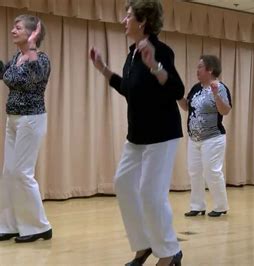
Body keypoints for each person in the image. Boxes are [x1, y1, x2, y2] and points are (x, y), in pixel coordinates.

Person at [89, 0, 184, 265]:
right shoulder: (132, 54)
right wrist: (103, 69)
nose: (124, 20)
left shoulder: (160, 50)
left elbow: (177, 89)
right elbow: (129, 90)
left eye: (128, 16)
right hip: (138, 135)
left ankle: (169, 252)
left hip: (162, 134)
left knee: (151, 193)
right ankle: (143, 245)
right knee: (124, 184)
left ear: (142, 21)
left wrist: (154, 65)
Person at [0, 15, 52, 243]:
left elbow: (21, 79)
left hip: (31, 120)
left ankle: (39, 226)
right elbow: (6, 75)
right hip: (12, 118)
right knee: (9, 173)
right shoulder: (16, 57)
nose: (13, 30)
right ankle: (9, 224)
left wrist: (7, 73)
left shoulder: (40, 59)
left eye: (18, 28)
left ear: (31, 34)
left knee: (22, 173)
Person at [178, 55, 232, 218]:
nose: (197, 70)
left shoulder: (220, 87)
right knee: (194, 171)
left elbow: (225, 111)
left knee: (212, 172)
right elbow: (187, 106)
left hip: (213, 137)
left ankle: (221, 206)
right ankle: (197, 206)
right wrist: (178, 95)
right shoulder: (196, 88)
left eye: (200, 67)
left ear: (210, 70)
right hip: (194, 139)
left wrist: (216, 95)